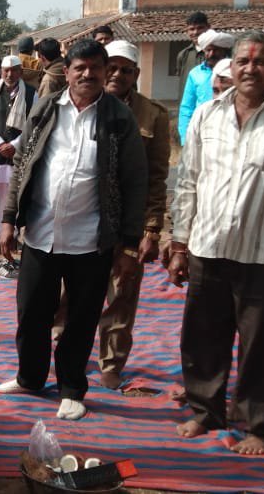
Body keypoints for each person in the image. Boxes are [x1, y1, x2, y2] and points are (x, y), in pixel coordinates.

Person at [169, 31, 264, 455]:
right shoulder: (207, 115)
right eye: (242, 61)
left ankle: (262, 425)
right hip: (208, 246)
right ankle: (206, 411)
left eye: (260, 62)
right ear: (231, 65)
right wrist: (180, 242)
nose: (250, 69)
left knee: (262, 344)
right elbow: (188, 181)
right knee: (203, 337)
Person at [0, 39, 147, 421]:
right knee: (31, 312)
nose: (88, 75)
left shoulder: (118, 119)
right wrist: (9, 219)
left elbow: (135, 182)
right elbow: (22, 167)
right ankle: (29, 378)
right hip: (41, 234)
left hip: (91, 240)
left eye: (96, 68)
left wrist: (128, 245)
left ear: (106, 71)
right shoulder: (46, 108)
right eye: (80, 67)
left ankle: (72, 388)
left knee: (80, 317)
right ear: (68, 70)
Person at [52, 40, 171, 390]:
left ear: (136, 75)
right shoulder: (76, 106)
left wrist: (150, 230)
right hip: (84, 220)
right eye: (113, 67)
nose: (118, 75)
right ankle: (63, 351)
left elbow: (156, 177)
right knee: (69, 294)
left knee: (121, 295)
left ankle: (111, 362)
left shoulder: (152, 115)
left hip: (127, 225)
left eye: (127, 70)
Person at [0, 55, 36, 276]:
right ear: (1, 72)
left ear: (20, 72)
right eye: (6, 70)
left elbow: (34, 124)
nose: (9, 74)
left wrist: (15, 145)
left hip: (19, 154)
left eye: (14, 70)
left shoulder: (32, 94)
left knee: (14, 199)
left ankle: (12, 241)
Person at [178, 29, 233, 146]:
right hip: (200, 131)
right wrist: (185, 138)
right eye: (208, 50)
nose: (211, 54)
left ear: (225, 51)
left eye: (216, 50)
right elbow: (187, 108)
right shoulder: (195, 74)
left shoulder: (234, 71)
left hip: (229, 130)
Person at [176, 12, 211, 94]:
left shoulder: (219, 53)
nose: (195, 32)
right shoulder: (183, 55)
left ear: (208, 28)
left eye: (200, 28)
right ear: (187, 31)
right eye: (192, 29)